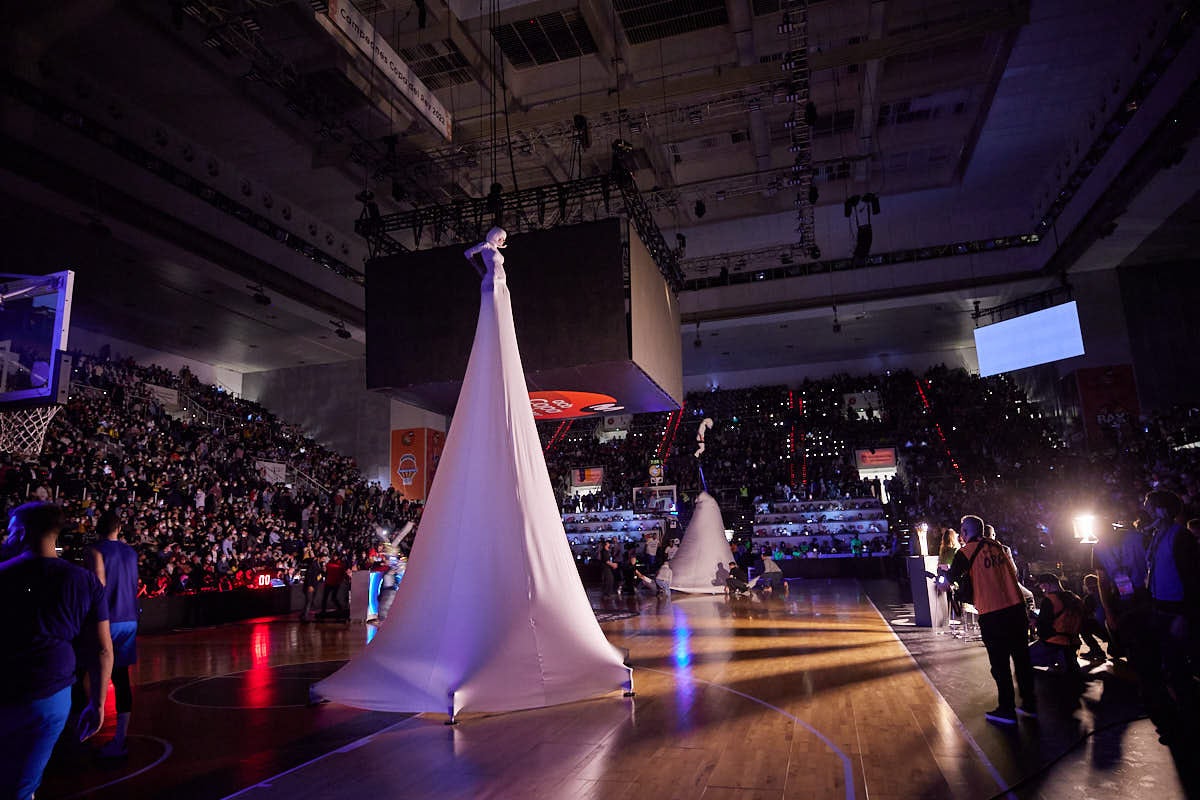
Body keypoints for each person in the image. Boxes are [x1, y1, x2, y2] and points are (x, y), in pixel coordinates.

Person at [1, 503, 113, 800]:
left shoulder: (5, 574)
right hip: (53, 697)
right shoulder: (85, 581)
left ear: (22, 533)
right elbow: (102, 649)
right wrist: (98, 703)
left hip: (9, 691)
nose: (6, 537)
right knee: (24, 783)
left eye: (10, 531)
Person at [942, 515, 1035, 725]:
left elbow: (950, 579)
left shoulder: (965, 552)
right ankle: (1030, 704)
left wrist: (944, 582)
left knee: (1000, 664)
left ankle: (1007, 709)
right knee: (1022, 659)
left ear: (965, 533)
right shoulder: (1000, 547)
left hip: (993, 613)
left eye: (961, 531)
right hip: (1016, 608)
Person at [86, 511, 140, 758]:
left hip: (106, 619)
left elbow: (98, 585)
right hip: (129, 618)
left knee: (79, 674)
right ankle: (120, 739)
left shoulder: (95, 550)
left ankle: (81, 733)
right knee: (121, 680)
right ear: (119, 528)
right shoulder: (131, 552)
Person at [1028, 573, 1083, 674]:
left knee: (1024, 657)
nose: (1042, 589)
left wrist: (1035, 623)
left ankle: (1055, 657)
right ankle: (1066, 657)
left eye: (1042, 586)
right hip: (1074, 642)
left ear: (1048, 585)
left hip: (1054, 642)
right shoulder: (1076, 598)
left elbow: (1044, 629)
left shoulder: (1049, 600)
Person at [1079, 574, 1109, 660]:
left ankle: (1096, 650)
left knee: (1082, 625)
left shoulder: (1090, 598)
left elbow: (1084, 615)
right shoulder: (1109, 592)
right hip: (1114, 628)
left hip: (1105, 629)